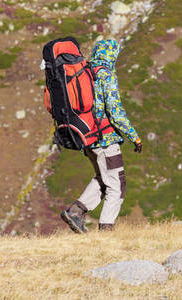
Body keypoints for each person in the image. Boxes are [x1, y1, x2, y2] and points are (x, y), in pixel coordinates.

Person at [60, 39, 143, 233]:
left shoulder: (86, 73)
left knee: (103, 178)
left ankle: (75, 212)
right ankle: (106, 231)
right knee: (117, 184)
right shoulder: (106, 75)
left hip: (88, 138)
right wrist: (134, 136)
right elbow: (115, 111)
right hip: (106, 139)